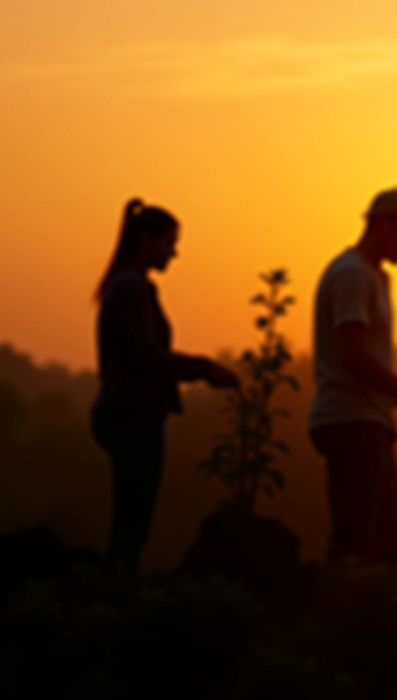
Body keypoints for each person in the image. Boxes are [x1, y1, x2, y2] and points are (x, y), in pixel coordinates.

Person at [91, 198, 239, 573]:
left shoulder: (128, 286)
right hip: (132, 416)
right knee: (132, 524)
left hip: (123, 412)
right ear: (146, 239)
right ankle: (115, 600)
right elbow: (145, 356)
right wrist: (203, 370)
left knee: (130, 519)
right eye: (169, 242)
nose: (174, 253)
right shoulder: (131, 288)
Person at [309, 187, 397, 567]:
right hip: (351, 419)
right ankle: (331, 619)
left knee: (388, 537)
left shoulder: (371, 276)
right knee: (355, 540)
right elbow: (353, 357)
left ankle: (363, 613)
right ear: (382, 225)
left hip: (367, 418)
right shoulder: (353, 275)